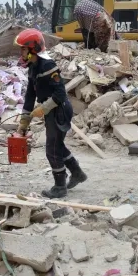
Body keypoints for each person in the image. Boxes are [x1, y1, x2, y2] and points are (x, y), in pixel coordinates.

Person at [16, 28, 87, 198]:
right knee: (58, 146)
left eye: (23, 49)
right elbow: (30, 96)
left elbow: (60, 94)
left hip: (59, 110)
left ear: (33, 48)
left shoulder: (47, 65)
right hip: (52, 110)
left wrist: (43, 108)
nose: (21, 52)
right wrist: (23, 123)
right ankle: (77, 173)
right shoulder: (33, 67)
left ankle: (60, 186)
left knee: (52, 150)